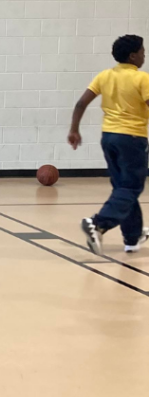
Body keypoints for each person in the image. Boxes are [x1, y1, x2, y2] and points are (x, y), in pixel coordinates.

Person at [68, 33, 149, 254]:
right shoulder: (142, 78)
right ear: (133, 56)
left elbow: (81, 103)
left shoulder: (104, 76)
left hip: (109, 138)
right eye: (143, 51)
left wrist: (74, 129)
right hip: (132, 138)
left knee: (123, 187)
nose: (144, 55)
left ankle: (132, 238)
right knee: (131, 187)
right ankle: (98, 223)